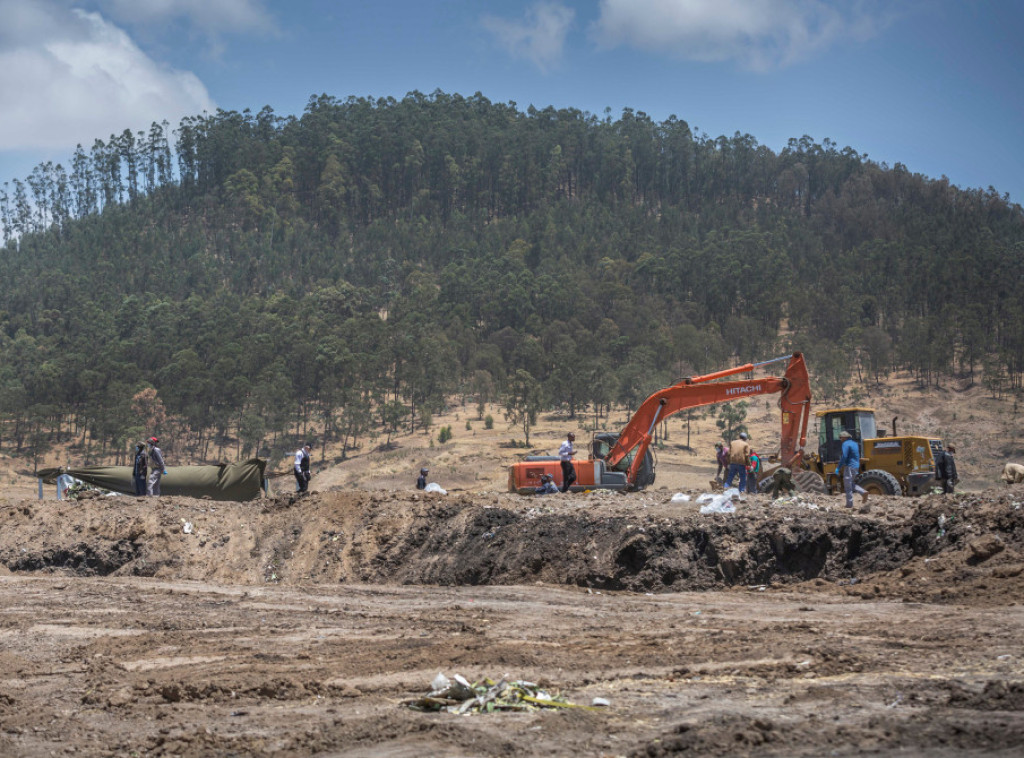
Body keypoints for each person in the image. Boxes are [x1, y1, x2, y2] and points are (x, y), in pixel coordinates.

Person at [837, 430, 868, 509]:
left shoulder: (845, 444)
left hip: (849, 467)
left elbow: (844, 456)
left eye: (841, 438)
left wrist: (838, 467)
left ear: (844, 437)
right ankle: (863, 492)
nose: (840, 440)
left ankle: (849, 504)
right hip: (856, 466)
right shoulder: (855, 443)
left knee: (847, 486)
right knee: (850, 484)